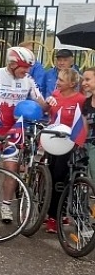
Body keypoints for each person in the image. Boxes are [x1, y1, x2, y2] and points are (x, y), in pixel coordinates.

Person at [0, 46, 46, 223]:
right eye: (25, 67)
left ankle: (5, 206)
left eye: (29, 67)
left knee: (11, 168)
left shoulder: (28, 80)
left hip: (15, 132)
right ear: (13, 63)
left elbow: (41, 104)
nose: (27, 71)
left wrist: (51, 103)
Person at [44, 68, 85, 234]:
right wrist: (47, 103)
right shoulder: (55, 94)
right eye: (58, 79)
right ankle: (50, 212)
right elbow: (46, 112)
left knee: (61, 179)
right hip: (52, 141)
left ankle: (56, 215)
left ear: (72, 83)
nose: (57, 82)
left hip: (69, 144)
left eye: (61, 80)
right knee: (51, 177)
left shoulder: (81, 99)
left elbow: (83, 121)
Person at [81, 68, 95, 182]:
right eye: (83, 80)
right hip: (90, 145)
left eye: (87, 80)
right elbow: (85, 128)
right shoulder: (86, 103)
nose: (83, 83)